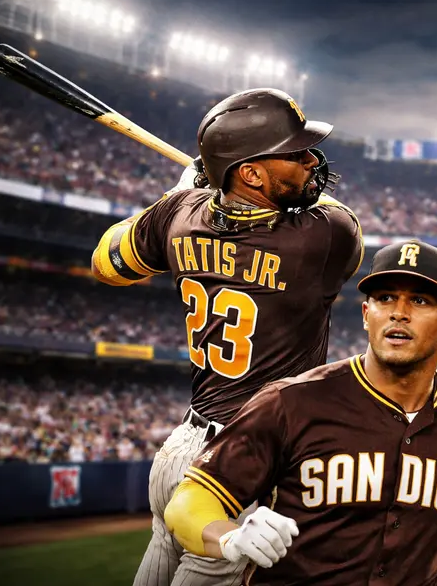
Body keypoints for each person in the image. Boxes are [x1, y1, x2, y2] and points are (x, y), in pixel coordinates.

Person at [90, 88, 364, 586]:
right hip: (242, 464)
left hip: (181, 449)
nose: (310, 161)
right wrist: (204, 189)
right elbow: (343, 217)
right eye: (294, 153)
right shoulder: (322, 237)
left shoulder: (177, 217)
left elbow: (106, 263)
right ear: (252, 174)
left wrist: (177, 199)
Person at [162, 240, 437, 586]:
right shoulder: (291, 402)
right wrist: (228, 538)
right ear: (365, 314)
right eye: (385, 298)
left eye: (419, 300)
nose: (398, 312)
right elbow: (189, 501)